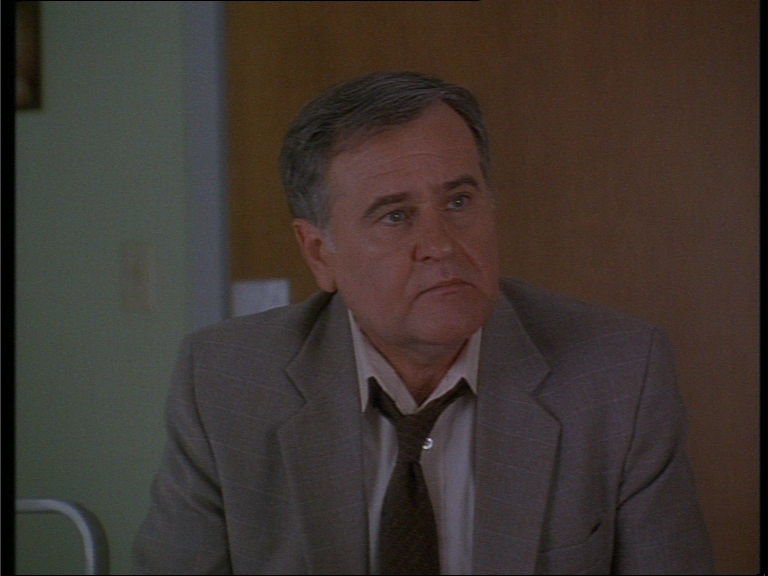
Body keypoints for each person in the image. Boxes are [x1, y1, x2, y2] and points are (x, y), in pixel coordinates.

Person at [133, 71, 713, 575]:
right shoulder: (226, 384)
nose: (441, 244)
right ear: (319, 253)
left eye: (459, 202)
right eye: (395, 216)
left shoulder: (619, 375)